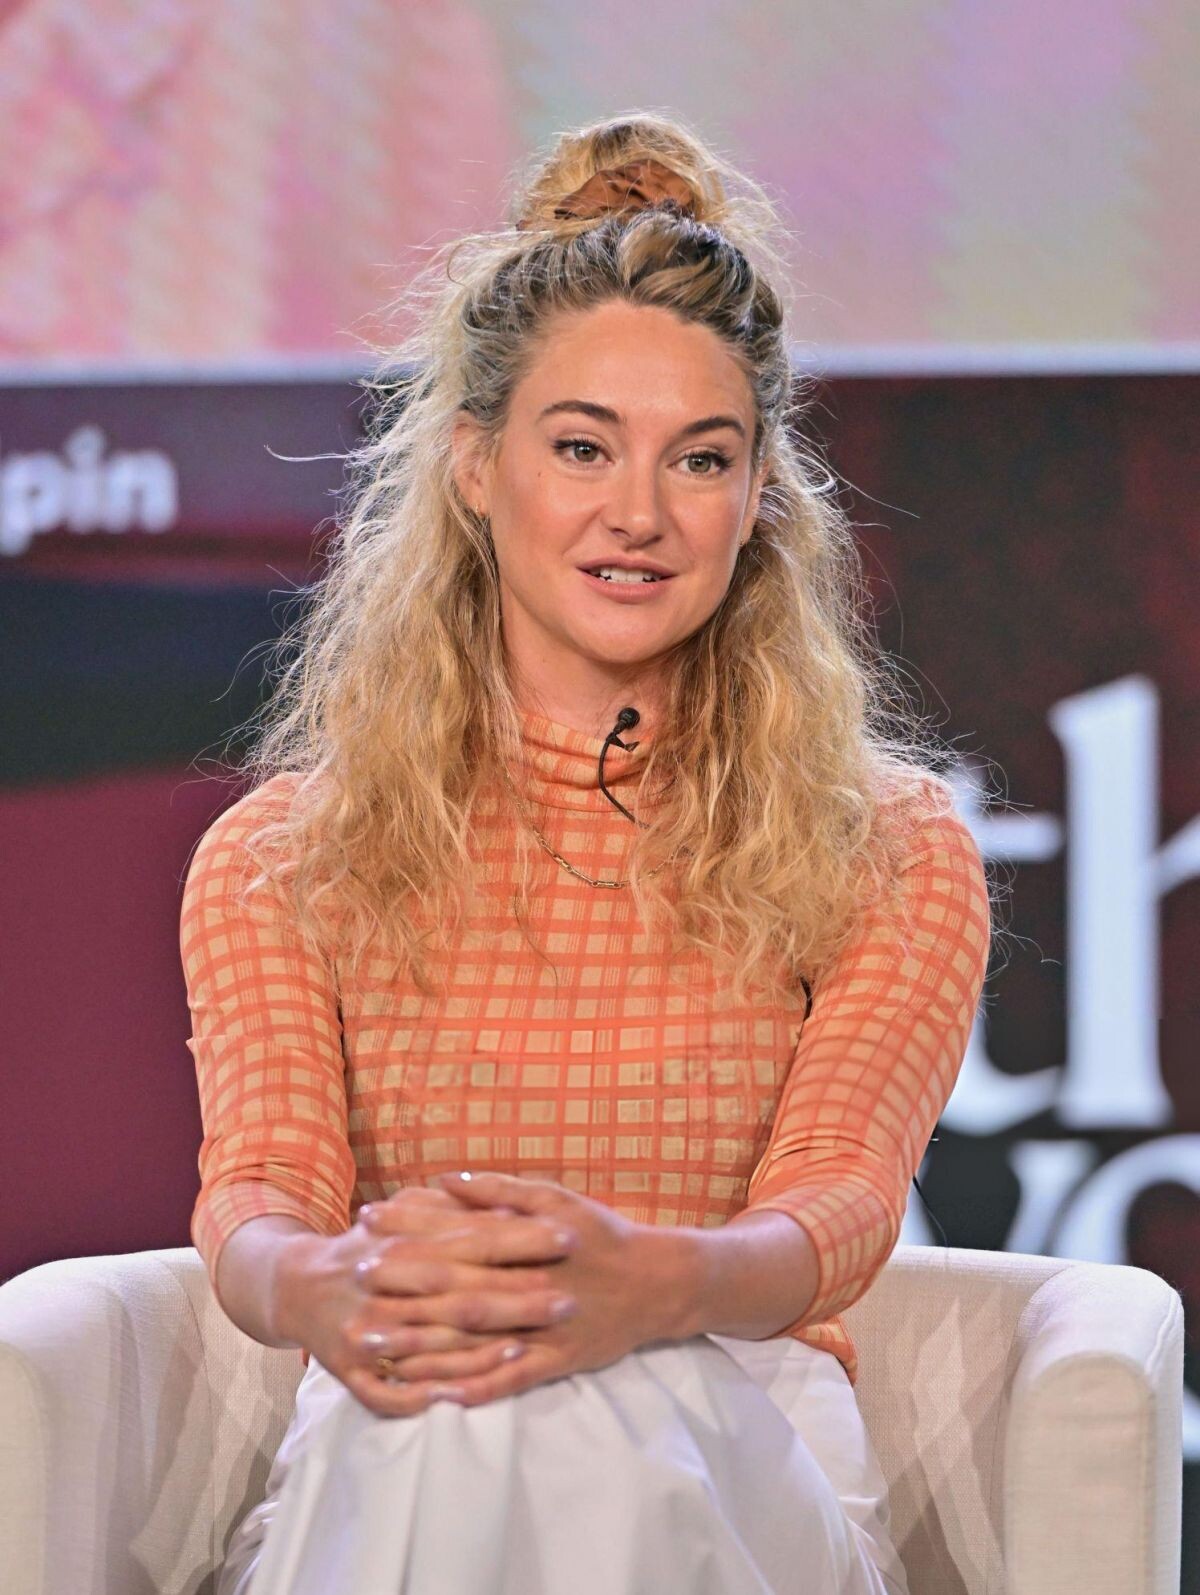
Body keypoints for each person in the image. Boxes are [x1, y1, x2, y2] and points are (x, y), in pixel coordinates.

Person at [181, 111, 995, 1595]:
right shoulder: (284, 858)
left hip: (746, 1435)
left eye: (701, 459)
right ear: (474, 467)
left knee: (553, 1418)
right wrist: (331, 1285)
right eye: (581, 448)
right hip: (400, 1420)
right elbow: (262, 1193)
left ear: (759, 496)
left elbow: (837, 1203)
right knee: (476, 1412)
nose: (639, 514)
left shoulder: (883, 850)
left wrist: (644, 1286)